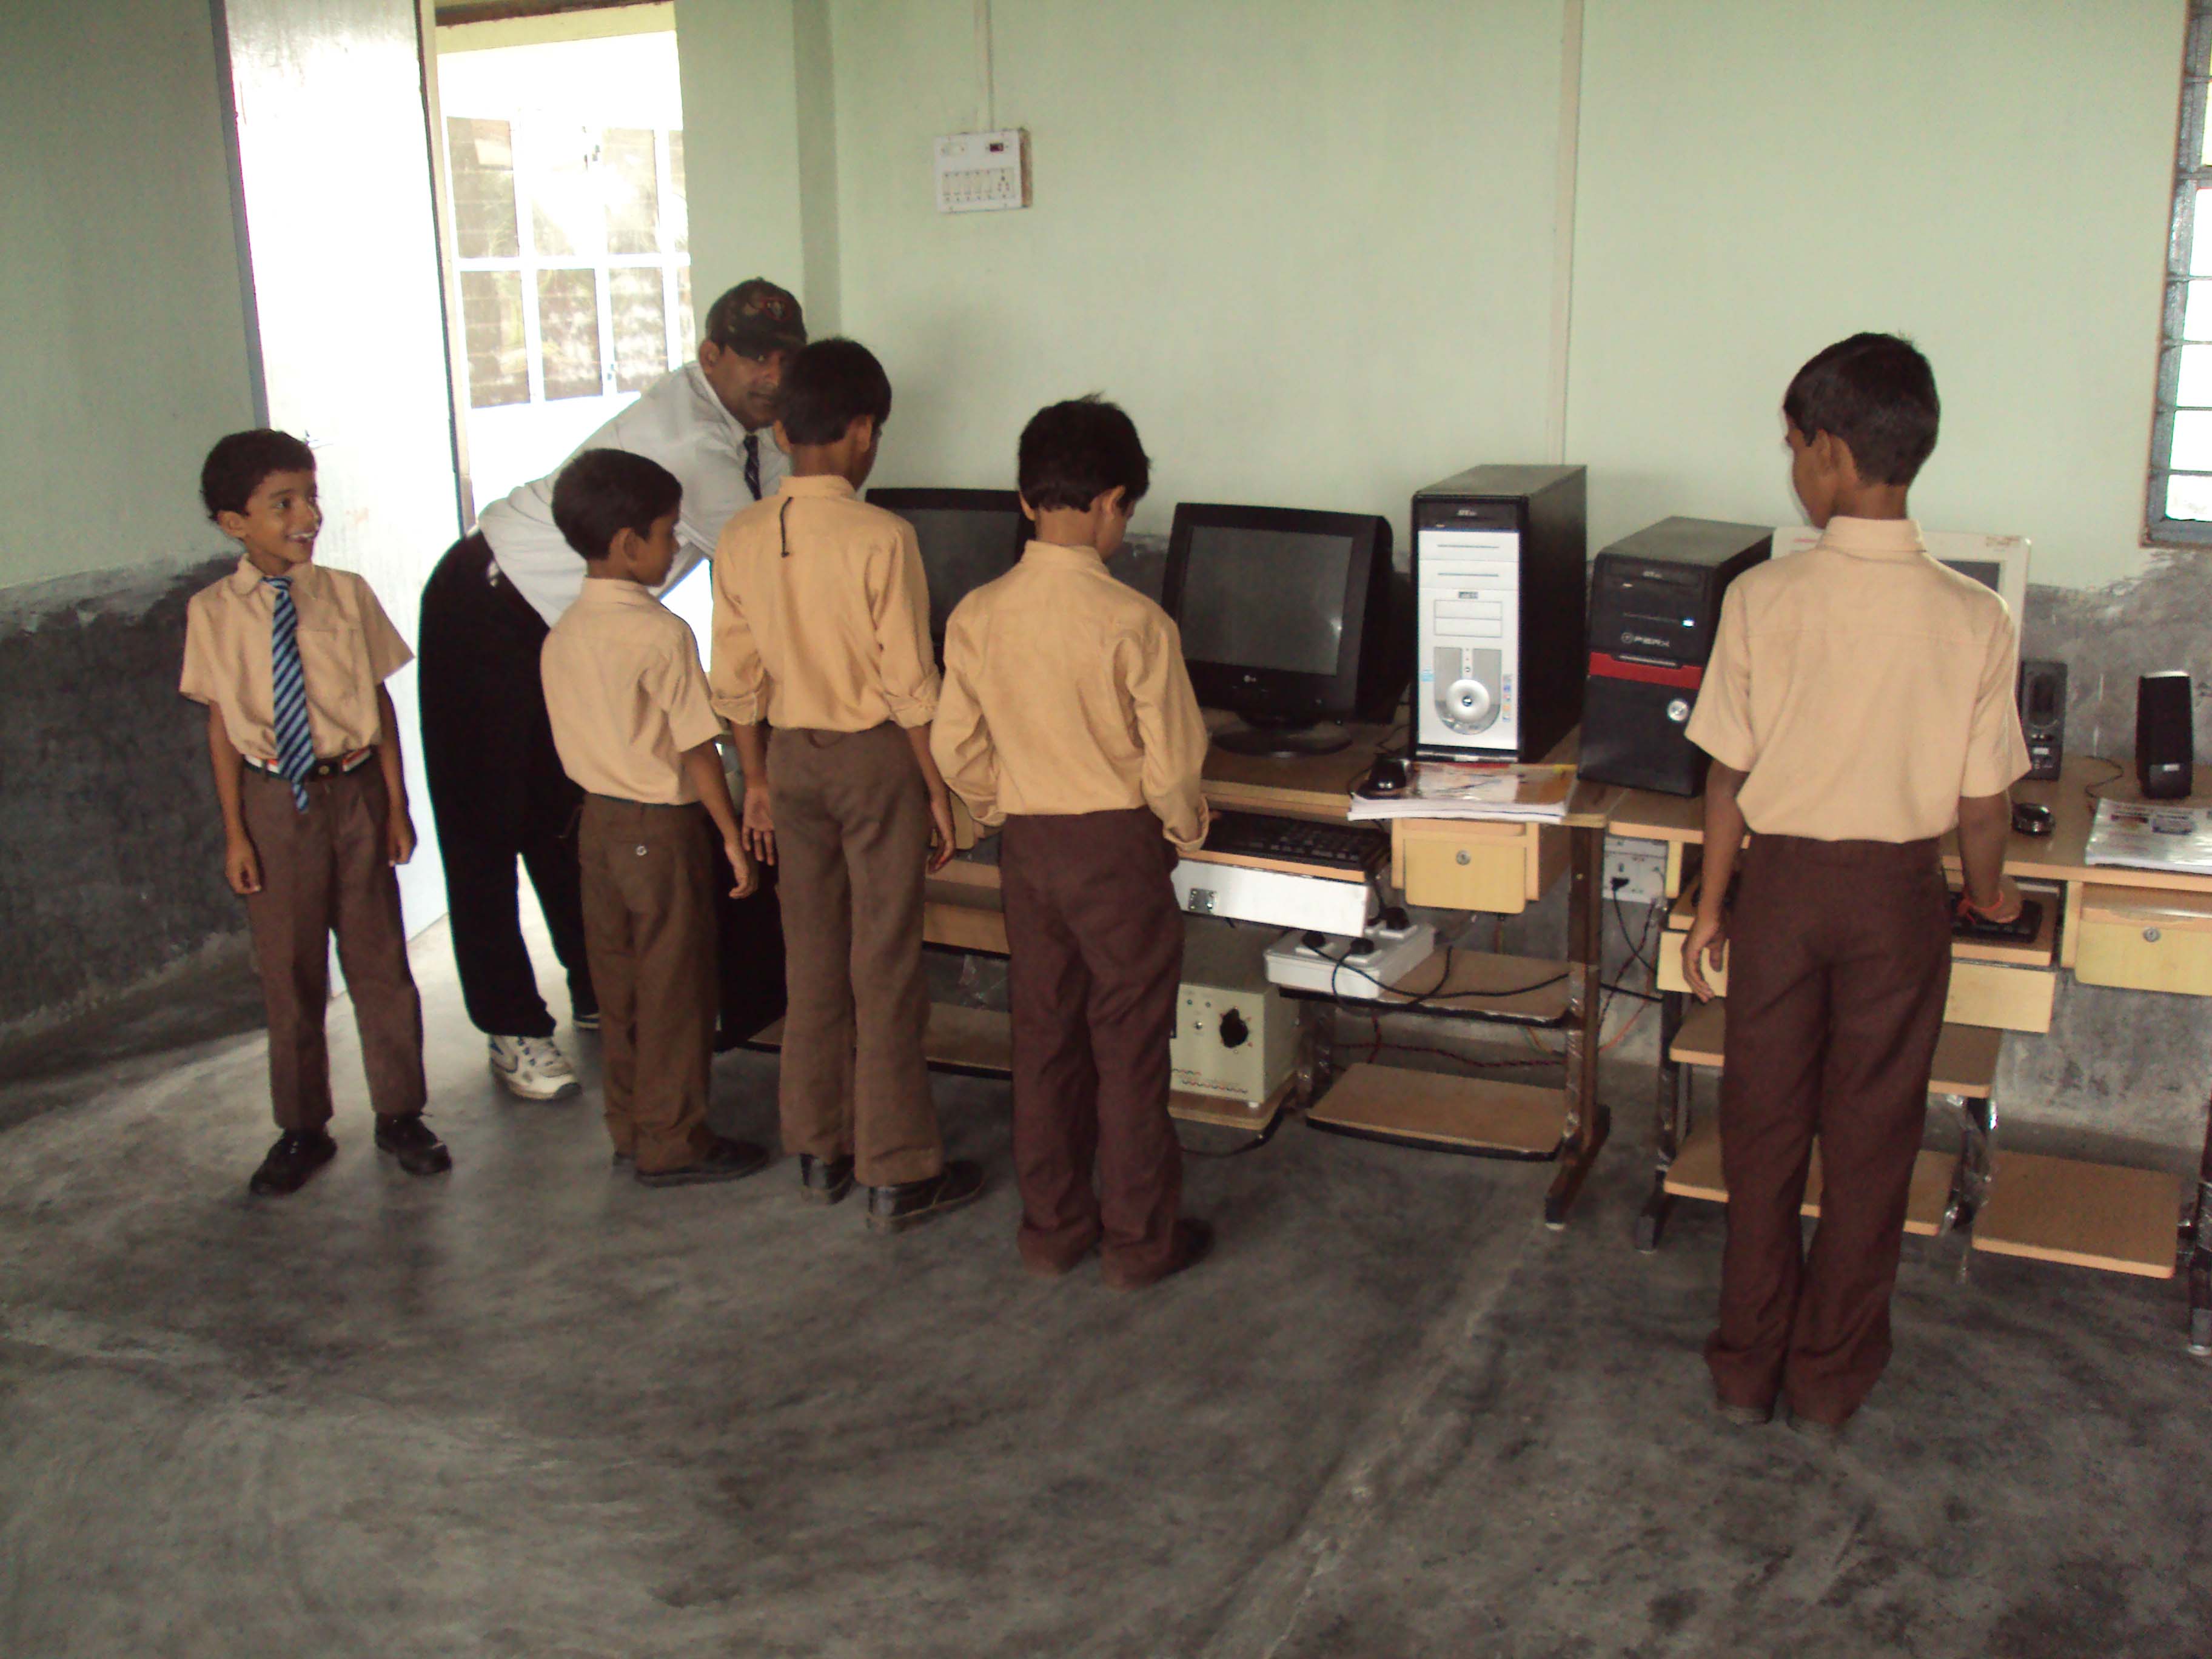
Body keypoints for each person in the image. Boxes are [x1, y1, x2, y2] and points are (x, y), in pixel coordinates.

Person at [1680, 333, 2029, 1442]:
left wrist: (1710, 906)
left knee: (1762, 1130)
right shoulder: (1974, 618)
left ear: (1828, 452)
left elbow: (1726, 778)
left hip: (1781, 895)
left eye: (1792, 445)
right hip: (1895, 901)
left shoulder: (1762, 597)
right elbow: (1982, 807)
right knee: (1872, 1143)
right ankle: (1828, 1383)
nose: (1791, 465)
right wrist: (1989, 899)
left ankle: (1746, 1367)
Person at [418, 280, 805, 1102]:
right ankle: (512, 1026)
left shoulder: (754, 430)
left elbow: (788, 525)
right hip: (490, 603)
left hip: (579, 625)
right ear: (711, 356)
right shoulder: (688, 440)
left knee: (567, 807)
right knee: (485, 823)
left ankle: (594, 986)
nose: (772, 375)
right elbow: (764, 567)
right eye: (754, 357)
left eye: (785, 358)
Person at [933, 397, 1215, 1289]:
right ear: (1113, 503)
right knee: (1128, 1045)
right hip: (1116, 851)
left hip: (1029, 850)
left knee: (1045, 1036)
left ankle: (1052, 1231)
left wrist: (995, 805)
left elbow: (954, 746)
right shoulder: (1137, 622)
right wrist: (1183, 827)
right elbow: (1173, 763)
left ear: (1025, 500)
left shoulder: (978, 614)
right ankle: (1138, 1244)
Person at [709, 338, 984, 1233]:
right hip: (874, 760)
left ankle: (818, 1148)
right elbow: (910, 680)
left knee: (812, 956)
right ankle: (897, 1170)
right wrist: (936, 787)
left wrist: (754, 777)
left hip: (788, 758)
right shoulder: (882, 536)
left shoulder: (742, 534)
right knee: (886, 962)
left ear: (783, 431)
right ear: (864, 431)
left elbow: (734, 676)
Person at [180, 429, 451, 1198]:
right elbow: (222, 728)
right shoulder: (212, 612)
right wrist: (236, 834)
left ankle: (401, 1114)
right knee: (289, 970)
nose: (308, 516)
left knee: (380, 962)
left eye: (311, 497)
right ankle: (302, 1128)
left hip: (356, 790)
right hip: (273, 802)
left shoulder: (346, 593)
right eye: (283, 504)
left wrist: (396, 804)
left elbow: (379, 703)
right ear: (235, 523)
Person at [538, 449, 771, 1187]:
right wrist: (731, 837)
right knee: (675, 987)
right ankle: (674, 1144)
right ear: (627, 543)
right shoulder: (660, 634)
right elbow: (698, 748)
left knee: (620, 986)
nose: (675, 547)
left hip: (597, 829)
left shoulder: (563, 630)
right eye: (668, 533)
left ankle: (633, 1126)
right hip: (659, 830)